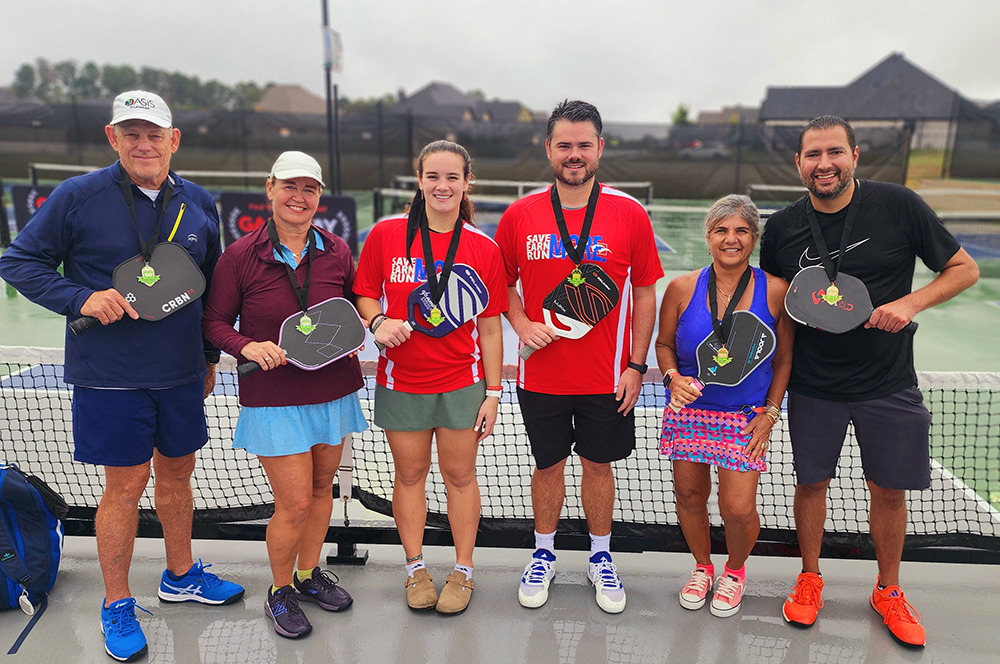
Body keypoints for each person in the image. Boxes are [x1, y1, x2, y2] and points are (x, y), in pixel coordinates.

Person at [0, 90, 244, 662]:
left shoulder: (200, 202)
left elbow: (209, 291)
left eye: (154, 133)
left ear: (173, 140)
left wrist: (209, 359)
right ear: (113, 138)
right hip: (110, 376)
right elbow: (17, 261)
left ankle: (181, 574)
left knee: (178, 475)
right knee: (125, 487)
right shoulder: (77, 196)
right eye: (131, 133)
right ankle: (116, 602)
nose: (143, 144)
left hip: (182, 373)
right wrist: (81, 298)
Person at [759, 116, 979, 646]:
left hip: (888, 382)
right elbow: (772, 304)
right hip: (812, 384)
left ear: (855, 155)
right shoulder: (784, 227)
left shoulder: (898, 205)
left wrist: (909, 303)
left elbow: (963, 269)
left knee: (888, 489)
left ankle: (888, 589)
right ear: (799, 164)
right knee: (811, 484)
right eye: (813, 155)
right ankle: (810, 578)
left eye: (835, 152)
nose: (824, 164)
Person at [496, 100, 664, 614]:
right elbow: (499, 284)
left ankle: (599, 556)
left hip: (606, 380)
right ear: (548, 149)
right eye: (564, 145)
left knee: (597, 466)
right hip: (540, 376)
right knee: (548, 467)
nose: (574, 154)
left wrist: (635, 366)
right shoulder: (520, 214)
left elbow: (645, 293)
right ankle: (543, 552)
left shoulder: (628, 213)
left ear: (599, 149)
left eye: (583, 145)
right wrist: (522, 323)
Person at [202, 151, 363, 638]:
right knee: (292, 503)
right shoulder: (239, 256)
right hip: (273, 399)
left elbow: (356, 308)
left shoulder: (336, 250)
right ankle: (279, 591)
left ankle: (309, 574)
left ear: (319, 197)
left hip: (333, 392)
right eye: (289, 186)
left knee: (321, 492)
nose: (299, 197)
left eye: (309, 189)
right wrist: (246, 344)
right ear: (270, 189)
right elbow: (212, 322)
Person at [354, 140, 507, 615]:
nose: (443, 186)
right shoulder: (386, 235)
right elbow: (364, 296)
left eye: (452, 178)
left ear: (466, 184)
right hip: (403, 384)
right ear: (419, 181)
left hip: (464, 385)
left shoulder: (483, 247)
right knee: (410, 475)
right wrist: (378, 323)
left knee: (460, 477)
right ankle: (414, 568)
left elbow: (489, 324)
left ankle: (463, 570)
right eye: (433, 177)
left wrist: (495, 392)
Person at [654, 195, 793, 618]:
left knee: (737, 508)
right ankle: (701, 568)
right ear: (708, 236)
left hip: (745, 417)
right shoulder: (680, 288)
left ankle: (734, 571)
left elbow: (785, 359)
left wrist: (770, 414)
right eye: (721, 230)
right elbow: (663, 346)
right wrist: (672, 379)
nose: (730, 239)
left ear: (753, 238)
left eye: (740, 230)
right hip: (690, 413)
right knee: (690, 496)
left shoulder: (774, 290)